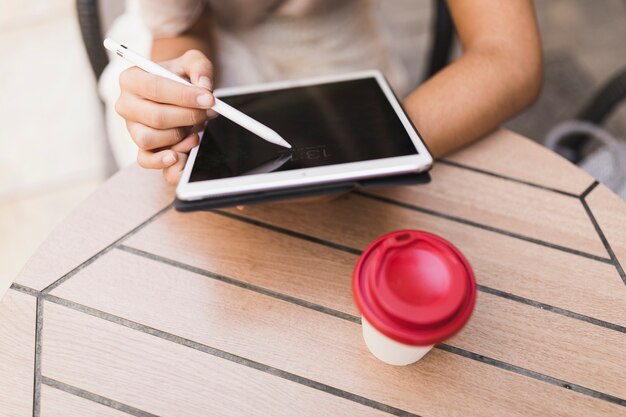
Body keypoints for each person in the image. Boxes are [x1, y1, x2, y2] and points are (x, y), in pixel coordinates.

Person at [111, 0, 542, 184]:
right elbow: (184, 26)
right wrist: (177, 92)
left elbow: (509, 56)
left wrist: (372, 147)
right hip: (219, 43)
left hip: (338, 41)